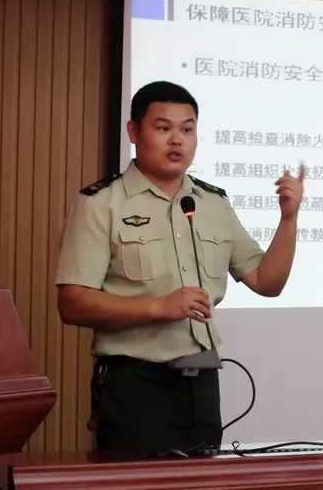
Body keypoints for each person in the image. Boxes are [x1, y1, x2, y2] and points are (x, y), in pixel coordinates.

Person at [55, 80, 305, 453]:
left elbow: (266, 281)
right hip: (136, 385)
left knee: (205, 480)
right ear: (134, 132)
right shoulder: (100, 204)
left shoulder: (212, 203)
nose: (177, 140)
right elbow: (72, 303)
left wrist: (288, 219)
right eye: (163, 128)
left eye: (187, 130)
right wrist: (158, 307)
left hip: (202, 384)